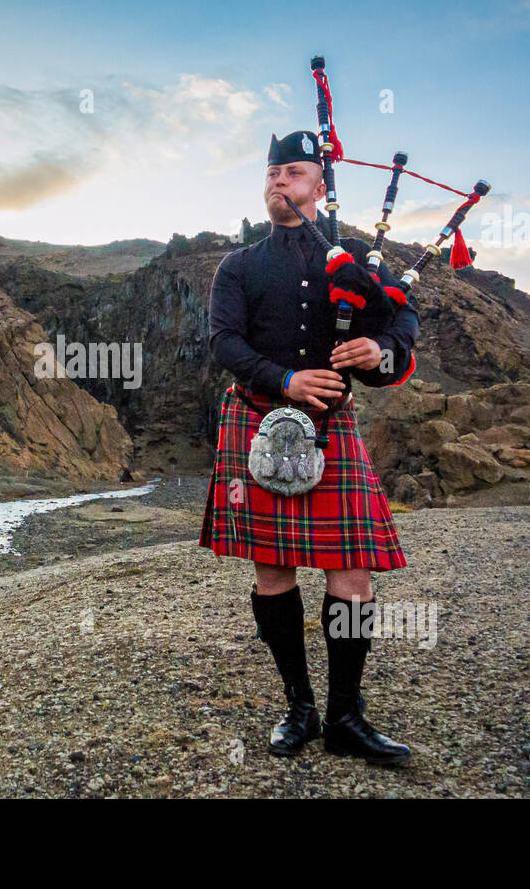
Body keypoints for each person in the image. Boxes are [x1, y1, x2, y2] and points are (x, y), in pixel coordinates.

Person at [197, 130, 418, 766]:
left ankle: (347, 714)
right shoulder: (237, 267)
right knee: (272, 569)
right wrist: (287, 379)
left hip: (331, 425)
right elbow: (224, 345)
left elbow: (401, 324)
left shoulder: (356, 264)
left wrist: (381, 352)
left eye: (293, 172)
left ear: (320, 186)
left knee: (351, 574)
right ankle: (299, 705)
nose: (278, 183)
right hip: (258, 418)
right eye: (272, 173)